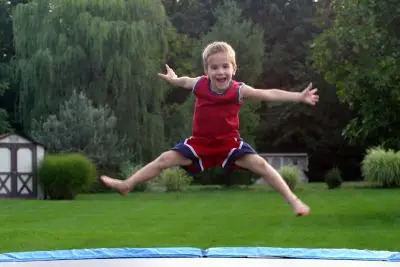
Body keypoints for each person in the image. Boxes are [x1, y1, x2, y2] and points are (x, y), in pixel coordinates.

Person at [100, 41, 319, 216]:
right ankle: (126, 185)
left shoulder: (239, 90)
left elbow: (269, 93)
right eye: (214, 67)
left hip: (229, 144)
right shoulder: (199, 84)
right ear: (207, 70)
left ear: (234, 68)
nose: (220, 72)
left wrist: (298, 96)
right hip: (200, 143)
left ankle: (294, 201)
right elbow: (184, 81)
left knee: (261, 164)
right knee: (164, 160)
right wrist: (174, 81)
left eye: (225, 66)